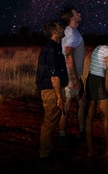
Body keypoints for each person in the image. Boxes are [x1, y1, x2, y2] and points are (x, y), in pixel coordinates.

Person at [36, 20, 69, 170]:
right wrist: (59, 97)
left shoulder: (54, 47)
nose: (63, 29)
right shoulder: (51, 49)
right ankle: (44, 157)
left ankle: (47, 153)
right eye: (60, 27)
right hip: (51, 90)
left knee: (51, 123)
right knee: (49, 124)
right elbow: (54, 76)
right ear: (54, 32)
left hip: (52, 90)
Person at [58, 7, 86, 145]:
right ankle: (62, 136)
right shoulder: (71, 32)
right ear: (72, 17)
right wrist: (75, 79)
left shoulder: (71, 32)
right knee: (68, 104)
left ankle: (81, 132)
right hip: (70, 75)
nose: (80, 13)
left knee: (81, 101)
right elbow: (69, 54)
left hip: (71, 73)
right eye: (77, 13)